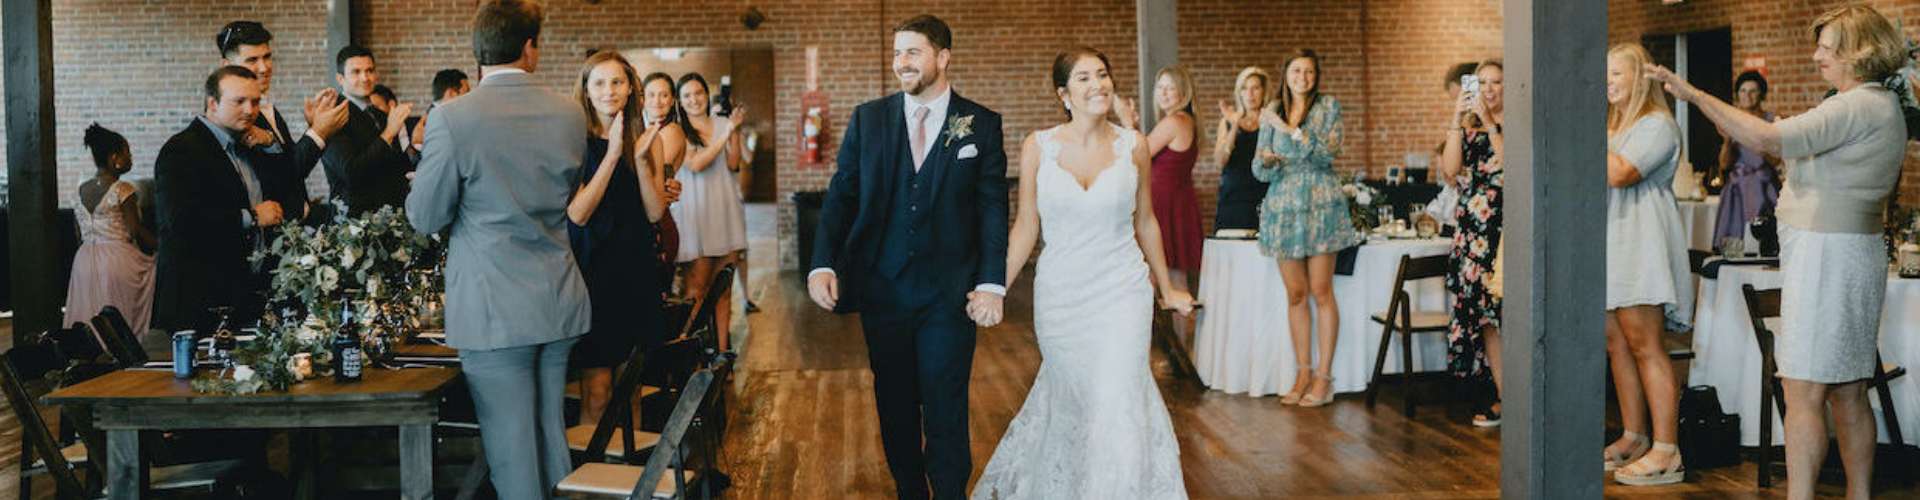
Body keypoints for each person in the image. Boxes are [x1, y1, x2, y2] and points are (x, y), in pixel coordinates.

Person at [1647, 6, 1910, 499]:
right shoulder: (1880, 105)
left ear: (1858, 52)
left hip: (1828, 259)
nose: (1817, 57)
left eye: (1827, 49)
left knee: (1804, 389)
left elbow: (1767, 137)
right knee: (1849, 389)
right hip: (1850, 253)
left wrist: (1694, 95)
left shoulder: (1855, 105)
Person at [971, 46, 1193, 499]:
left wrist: (1167, 288)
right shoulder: (1039, 146)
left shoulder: (1134, 145)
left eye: (1103, 75)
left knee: (1117, 397)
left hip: (1121, 292)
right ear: (1064, 94)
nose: (1099, 85)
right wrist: (995, 289)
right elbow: (1027, 226)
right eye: (1085, 78)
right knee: (1074, 402)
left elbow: (1146, 220)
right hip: (1062, 296)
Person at [806, 15, 1008, 499]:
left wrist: (991, 282)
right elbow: (842, 197)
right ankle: (910, 490)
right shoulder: (869, 120)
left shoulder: (981, 123)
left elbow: (992, 209)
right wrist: (822, 262)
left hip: (948, 294)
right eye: (897, 53)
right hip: (884, 290)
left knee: (945, 401)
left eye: (913, 52)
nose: (902, 62)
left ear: (943, 57)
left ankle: (951, 491)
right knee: (894, 402)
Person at [405, 1, 591, 495]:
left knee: (511, 448)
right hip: (557, 296)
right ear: (530, 48)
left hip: (493, 306)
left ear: (479, 51)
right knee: (549, 433)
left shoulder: (453, 117)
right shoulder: (570, 114)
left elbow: (425, 217)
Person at [566, 51, 680, 428]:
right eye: (598, 83)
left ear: (631, 87)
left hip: (636, 270)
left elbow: (653, 212)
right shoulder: (574, 140)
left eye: (617, 82)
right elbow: (578, 213)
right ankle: (589, 482)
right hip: (591, 273)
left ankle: (627, 480)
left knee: (630, 389)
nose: (608, 91)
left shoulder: (647, 138)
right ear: (586, 90)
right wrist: (614, 154)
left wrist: (642, 159)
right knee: (596, 391)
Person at [1601, 43, 1695, 486]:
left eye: (1616, 74)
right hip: (1612, 240)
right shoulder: (1612, 125)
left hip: (1640, 241)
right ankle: (1634, 435)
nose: (1607, 83)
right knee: (1617, 345)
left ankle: (1666, 449)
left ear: (1640, 79)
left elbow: (1622, 173)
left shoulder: (1657, 125)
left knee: (1646, 344)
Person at [152, 66, 301, 332]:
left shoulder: (248, 145)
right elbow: (180, 221)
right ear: (213, 103)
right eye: (239, 101)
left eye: (255, 101)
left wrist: (272, 143)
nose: (250, 110)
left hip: (244, 296)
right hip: (199, 301)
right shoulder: (181, 150)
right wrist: (253, 217)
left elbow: (289, 185)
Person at [1253, 49, 1361, 408]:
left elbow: (1329, 154)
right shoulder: (1272, 110)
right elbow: (1258, 169)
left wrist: (1292, 132)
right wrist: (1267, 160)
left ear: (1317, 76)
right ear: (1285, 74)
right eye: (1296, 70)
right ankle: (1302, 371)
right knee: (1295, 295)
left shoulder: (1328, 107)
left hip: (1321, 206)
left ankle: (1324, 377)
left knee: (1321, 291)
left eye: (1309, 71)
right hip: (1283, 208)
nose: (1302, 76)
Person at [215, 20, 350, 223]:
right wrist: (319, 132)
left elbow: (288, 163)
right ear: (227, 66)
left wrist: (313, 127)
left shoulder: (268, 108)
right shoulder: (233, 118)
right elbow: (283, 177)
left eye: (267, 57)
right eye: (252, 60)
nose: (264, 67)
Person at [1437, 59, 1507, 426]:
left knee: (1506, 314)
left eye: (1496, 82)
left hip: (1503, 225)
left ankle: (1521, 396)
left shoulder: (1513, 124)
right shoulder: (1468, 126)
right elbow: (1450, 170)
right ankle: (1503, 395)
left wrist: (1492, 123)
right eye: (1482, 83)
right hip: (1472, 229)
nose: (1489, 89)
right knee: (1484, 318)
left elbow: (1511, 164)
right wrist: (1457, 115)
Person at [1120, 64, 1203, 346]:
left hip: (1165, 205)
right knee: (1174, 277)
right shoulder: (1184, 121)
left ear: (1183, 91)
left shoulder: (1174, 122)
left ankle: (1158, 349)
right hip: (1176, 203)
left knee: (1156, 278)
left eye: (1170, 87)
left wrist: (1127, 123)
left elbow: (1137, 154)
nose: (1164, 93)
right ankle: (1179, 349)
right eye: (1160, 87)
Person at [672, 72, 750, 352]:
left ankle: (722, 352)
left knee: (724, 290)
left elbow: (733, 163)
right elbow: (696, 165)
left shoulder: (722, 123)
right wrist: (727, 132)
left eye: (699, 93)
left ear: (707, 95)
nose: (694, 100)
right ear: (680, 101)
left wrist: (735, 130)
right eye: (687, 95)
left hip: (724, 209)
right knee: (697, 290)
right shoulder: (678, 129)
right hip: (696, 213)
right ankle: (691, 355)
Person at [65, 124, 158, 335]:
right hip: (118, 260)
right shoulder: (123, 189)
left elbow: (79, 234)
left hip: (84, 261)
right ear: (114, 158)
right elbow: (135, 230)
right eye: (127, 153)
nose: (131, 158)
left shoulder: (80, 189)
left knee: (89, 315)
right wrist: (161, 246)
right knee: (118, 317)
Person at [324, 45, 416, 216]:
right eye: (356, 72)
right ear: (340, 78)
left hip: (390, 216)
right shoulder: (333, 115)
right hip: (354, 221)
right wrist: (389, 132)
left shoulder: (378, 114)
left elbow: (395, 164)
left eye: (369, 70)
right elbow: (351, 172)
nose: (365, 77)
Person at [1711, 70, 1780, 247]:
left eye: (1753, 91)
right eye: (1743, 91)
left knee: (1764, 238)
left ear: (1761, 94)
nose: (1747, 96)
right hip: (1738, 188)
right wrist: (1727, 141)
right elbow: (1724, 165)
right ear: (1737, 94)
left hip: (1764, 186)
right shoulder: (1730, 120)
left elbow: (1777, 161)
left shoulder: (1770, 121)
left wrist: (1761, 146)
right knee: (1735, 239)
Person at [1213, 67, 1272, 234]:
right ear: (1239, 93)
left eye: (1255, 88)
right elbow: (1220, 162)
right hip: (1233, 197)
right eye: (1244, 88)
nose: (1250, 94)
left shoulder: (1271, 121)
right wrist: (1235, 125)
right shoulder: (1227, 122)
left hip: (1264, 197)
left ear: (1263, 91)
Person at [411, 68, 473, 151]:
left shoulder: (440, 117)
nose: (471, 97)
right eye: (467, 92)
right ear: (451, 93)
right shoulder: (431, 122)